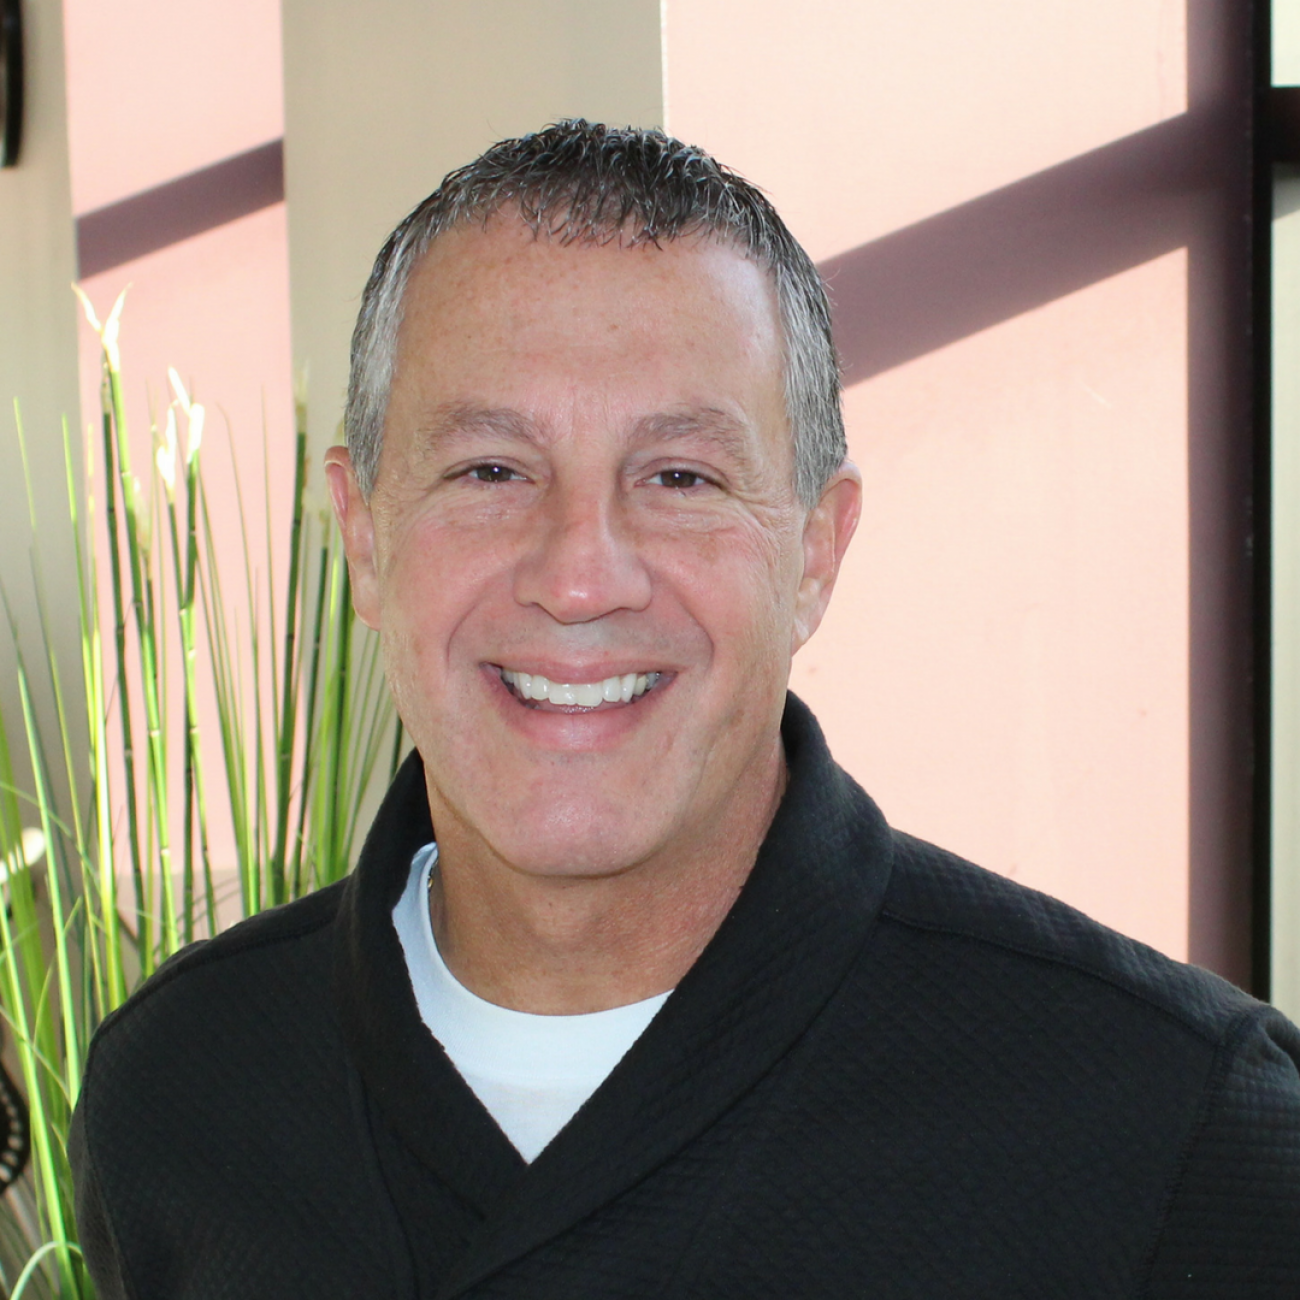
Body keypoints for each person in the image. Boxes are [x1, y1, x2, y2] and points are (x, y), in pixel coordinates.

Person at [71, 120, 1300, 1298]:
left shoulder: (1167, 1120)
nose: (579, 574)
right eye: (490, 469)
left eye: (679, 477)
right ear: (361, 537)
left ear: (815, 553)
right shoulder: (183, 1089)